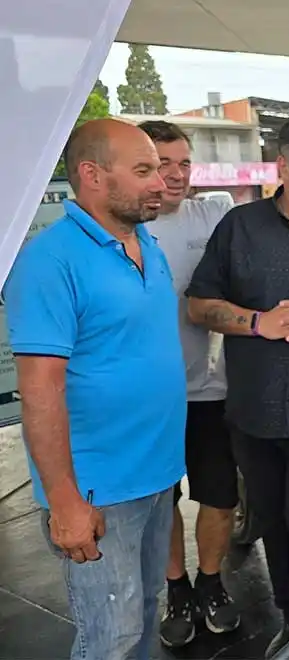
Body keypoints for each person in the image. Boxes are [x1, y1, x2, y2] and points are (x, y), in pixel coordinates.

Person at [2, 118, 186, 659]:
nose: (163, 181)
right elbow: (39, 390)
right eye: (144, 170)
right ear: (92, 175)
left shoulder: (143, 241)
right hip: (98, 492)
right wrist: (64, 504)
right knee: (111, 639)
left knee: (145, 616)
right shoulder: (49, 261)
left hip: (154, 476)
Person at [185, 115, 289, 659]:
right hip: (255, 416)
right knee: (274, 524)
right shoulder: (239, 227)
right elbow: (198, 304)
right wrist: (259, 322)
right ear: (283, 166)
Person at [137, 120, 241, 647]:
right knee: (163, 500)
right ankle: (176, 587)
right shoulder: (126, 228)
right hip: (152, 396)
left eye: (183, 162)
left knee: (219, 496)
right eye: (161, 163)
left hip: (211, 390)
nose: (175, 175)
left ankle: (212, 582)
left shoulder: (215, 210)